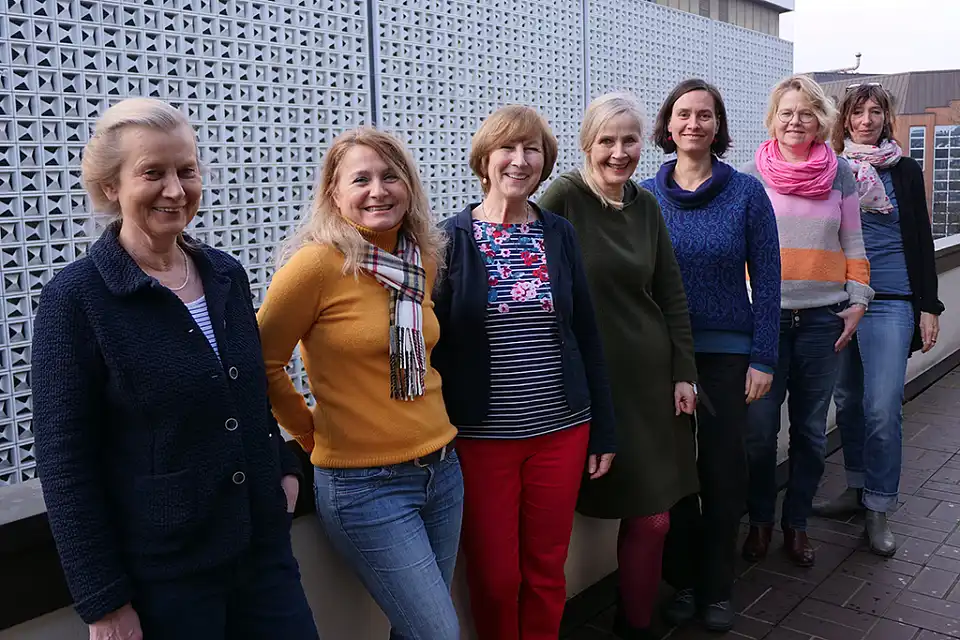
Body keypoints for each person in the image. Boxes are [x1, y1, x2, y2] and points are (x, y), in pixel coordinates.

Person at [31, 98, 319, 640]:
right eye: (152, 173)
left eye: (186, 170)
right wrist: (103, 603)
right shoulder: (77, 299)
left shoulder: (225, 275)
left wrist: (282, 468)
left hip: (262, 556)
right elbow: (65, 463)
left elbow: (247, 393)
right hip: (166, 580)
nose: (175, 189)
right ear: (110, 186)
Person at [257, 127, 463, 639]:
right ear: (334, 192)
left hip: (442, 471)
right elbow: (261, 362)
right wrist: (308, 433)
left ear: (408, 185)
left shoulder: (420, 259)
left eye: (390, 176)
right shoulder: (315, 266)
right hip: (365, 487)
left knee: (415, 631)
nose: (378, 191)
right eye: (361, 179)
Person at [432, 105, 617, 640]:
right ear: (484, 160)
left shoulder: (559, 234)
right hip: (482, 440)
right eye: (507, 148)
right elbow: (431, 347)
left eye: (531, 149)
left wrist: (603, 429)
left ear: (545, 161)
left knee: (546, 569)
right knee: (495, 578)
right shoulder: (448, 241)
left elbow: (586, 333)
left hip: (561, 432)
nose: (519, 160)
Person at [539, 92, 700, 640]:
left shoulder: (646, 204)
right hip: (590, 384)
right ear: (587, 144)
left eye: (629, 140)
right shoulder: (564, 197)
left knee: (654, 518)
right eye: (606, 140)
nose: (619, 152)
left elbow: (670, 293)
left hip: (651, 384)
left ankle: (634, 624)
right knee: (559, 518)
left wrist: (684, 371)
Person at [642, 79, 781, 632]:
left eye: (705, 115)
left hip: (728, 356)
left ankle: (719, 586)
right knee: (676, 477)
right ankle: (684, 580)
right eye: (683, 114)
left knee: (722, 472)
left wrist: (764, 358)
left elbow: (768, 281)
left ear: (718, 126)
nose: (693, 123)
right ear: (668, 125)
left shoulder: (746, 193)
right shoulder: (644, 197)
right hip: (664, 358)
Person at [741, 75, 874, 568]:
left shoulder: (841, 173)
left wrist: (858, 300)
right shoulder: (749, 176)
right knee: (758, 434)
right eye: (786, 112)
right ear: (772, 119)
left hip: (823, 320)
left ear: (821, 120)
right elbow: (738, 252)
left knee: (811, 435)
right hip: (765, 323)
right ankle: (760, 521)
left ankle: (795, 525)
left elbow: (854, 243)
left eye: (805, 113)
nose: (795, 121)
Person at [813, 84, 943, 555]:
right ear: (845, 119)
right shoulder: (831, 167)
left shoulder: (903, 169)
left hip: (892, 300)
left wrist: (929, 305)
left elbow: (921, 237)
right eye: (857, 112)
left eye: (875, 112)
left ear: (886, 118)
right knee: (847, 401)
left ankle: (879, 505)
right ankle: (856, 488)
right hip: (841, 300)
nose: (866, 120)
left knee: (882, 408)